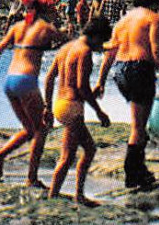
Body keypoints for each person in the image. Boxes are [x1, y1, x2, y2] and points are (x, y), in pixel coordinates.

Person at [96, 0, 159, 189]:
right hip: (140, 69)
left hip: (120, 71)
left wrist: (100, 81)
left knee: (138, 123)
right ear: (155, 2)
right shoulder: (154, 19)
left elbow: (110, 53)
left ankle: (139, 170)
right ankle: (133, 174)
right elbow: (157, 51)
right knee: (138, 127)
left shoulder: (123, 21)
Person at [0, 0, 62, 187]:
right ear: (45, 10)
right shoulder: (47, 28)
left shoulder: (17, 26)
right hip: (27, 81)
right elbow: (71, 42)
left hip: (10, 81)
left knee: (30, 129)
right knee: (42, 130)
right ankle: (32, 178)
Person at [44, 17, 113, 206]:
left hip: (60, 103)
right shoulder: (84, 52)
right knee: (67, 157)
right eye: (101, 41)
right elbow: (82, 87)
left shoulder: (66, 48)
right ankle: (55, 197)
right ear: (95, 36)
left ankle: (77, 195)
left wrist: (47, 107)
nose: (101, 46)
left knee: (89, 149)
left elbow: (49, 79)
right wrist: (99, 112)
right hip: (72, 107)